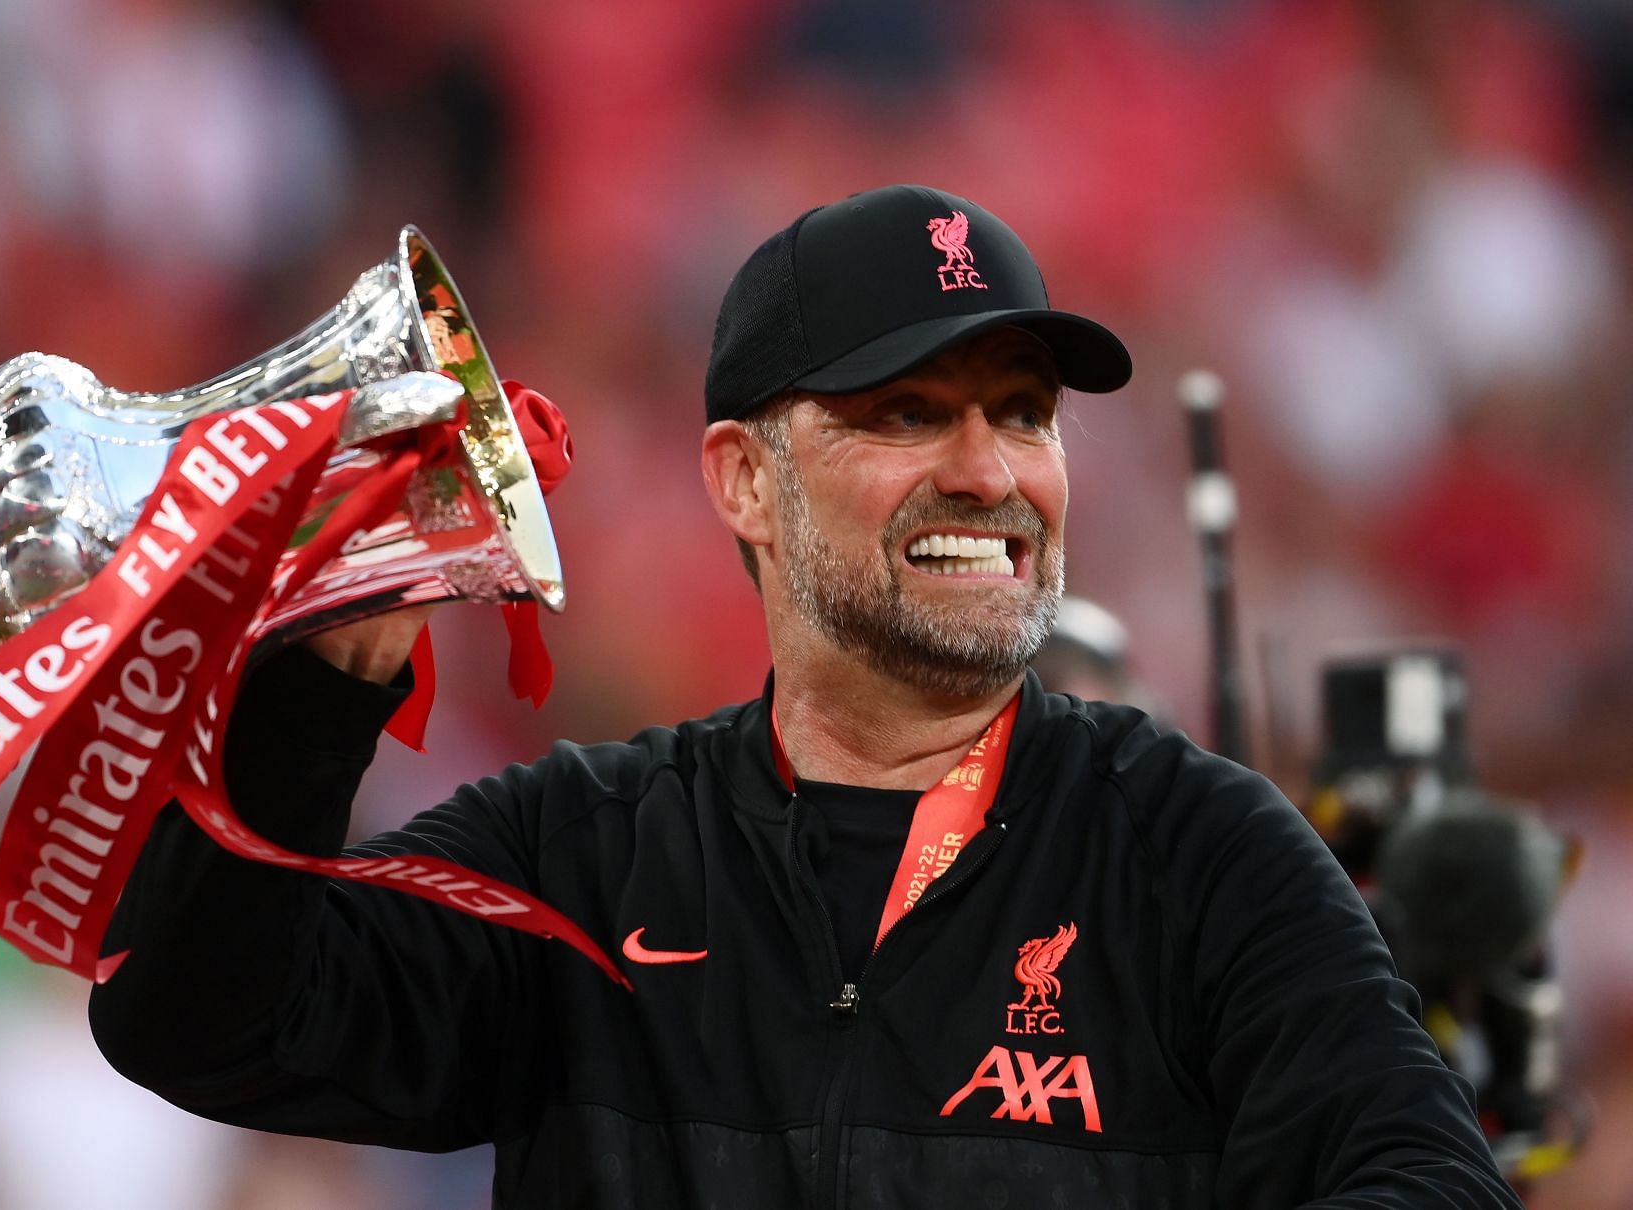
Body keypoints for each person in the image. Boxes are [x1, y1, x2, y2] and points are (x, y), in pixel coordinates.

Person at [90, 184, 1520, 1208]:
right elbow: (199, 1018)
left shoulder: (1198, 853)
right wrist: (321, 683)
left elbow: (1429, 1174)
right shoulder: (583, 856)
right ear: (741, 480)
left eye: (1022, 412)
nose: (989, 468)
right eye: (908, 412)